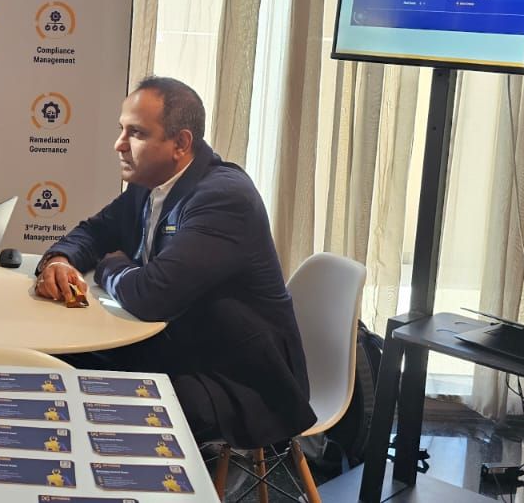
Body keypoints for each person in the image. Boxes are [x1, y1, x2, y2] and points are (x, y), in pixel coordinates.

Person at [33, 77, 314, 449]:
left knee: (89, 400)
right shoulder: (150, 182)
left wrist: (108, 267)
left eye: (136, 133)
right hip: (177, 347)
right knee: (55, 365)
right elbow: (95, 231)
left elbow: (152, 296)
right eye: (121, 130)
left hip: (236, 379)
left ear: (180, 143)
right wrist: (60, 259)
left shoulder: (224, 199)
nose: (119, 144)